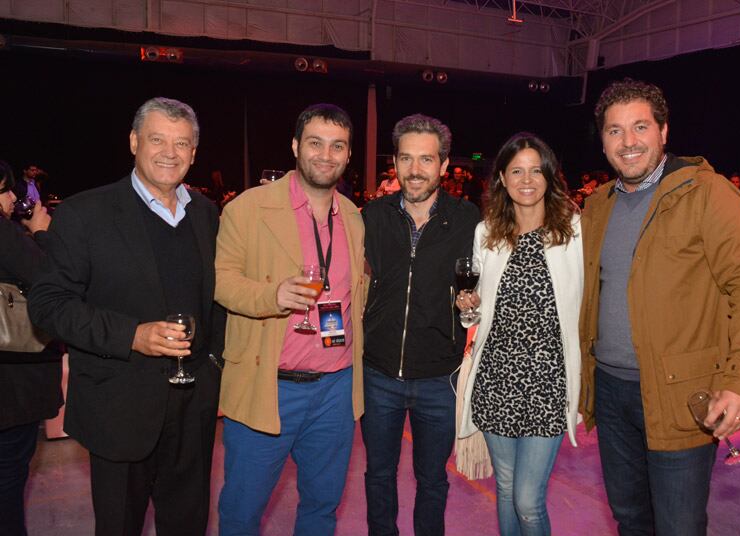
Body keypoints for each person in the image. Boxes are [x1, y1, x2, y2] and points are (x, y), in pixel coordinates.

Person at [579, 78, 740, 535]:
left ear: (664, 131)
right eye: (614, 131)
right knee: (629, 519)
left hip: (679, 395)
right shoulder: (596, 207)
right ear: (603, 142)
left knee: (678, 526)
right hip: (610, 395)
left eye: (640, 127)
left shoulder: (708, 194)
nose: (628, 142)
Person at [28, 97, 225, 535]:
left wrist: (216, 366)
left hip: (193, 409)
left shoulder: (207, 215)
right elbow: (48, 305)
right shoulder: (85, 214)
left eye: (182, 143)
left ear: (194, 153)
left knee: (189, 524)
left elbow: (217, 302)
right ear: (134, 141)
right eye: (157, 139)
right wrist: (132, 335)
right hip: (119, 409)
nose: (169, 153)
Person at [214, 103, 365, 536]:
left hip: (336, 390)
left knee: (322, 506)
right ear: (296, 145)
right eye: (315, 143)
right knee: (242, 509)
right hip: (270, 386)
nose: (325, 155)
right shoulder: (248, 209)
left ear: (348, 155)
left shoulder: (354, 218)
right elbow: (221, 282)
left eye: (337, 146)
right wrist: (272, 295)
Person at [455, 133, 583, 536]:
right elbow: (476, 311)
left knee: (528, 500)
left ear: (549, 176)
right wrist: (466, 306)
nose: (526, 179)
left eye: (535, 170)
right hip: (496, 378)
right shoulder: (487, 233)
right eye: (516, 171)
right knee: (507, 488)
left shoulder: (575, 232)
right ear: (503, 180)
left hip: (549, 383)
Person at [361, 113, 481, 536]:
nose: (415, 170)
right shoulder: (370, 218)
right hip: (378, 373)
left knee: (432, 480)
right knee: (378, 475)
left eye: (426, 160)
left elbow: (484, 292)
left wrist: (474, 306)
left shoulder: (469, 221)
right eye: (407, 159)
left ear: (444, 166)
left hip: (439, 377)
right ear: (394, 162)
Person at [0, 160, 62, 536]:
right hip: (11, 386)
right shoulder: (5, 234)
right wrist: (41, 234)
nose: (11, 198)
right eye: (4, 190)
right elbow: (53, 279)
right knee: (8, 478)